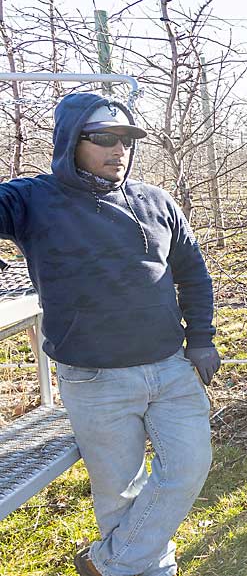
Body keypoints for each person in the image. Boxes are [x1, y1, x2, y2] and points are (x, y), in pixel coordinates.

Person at [0, 93, 220, 576]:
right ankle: (149, 568)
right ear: (69, 142)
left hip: (170, 366)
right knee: (119, 492)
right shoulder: (32, 200)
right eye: (103, 138)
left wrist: (201, 337)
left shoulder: (156, 200)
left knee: (187, 468)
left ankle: (109, 563)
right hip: (95, 377)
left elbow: (193, 271)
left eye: (125, 139)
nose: (118, 149)